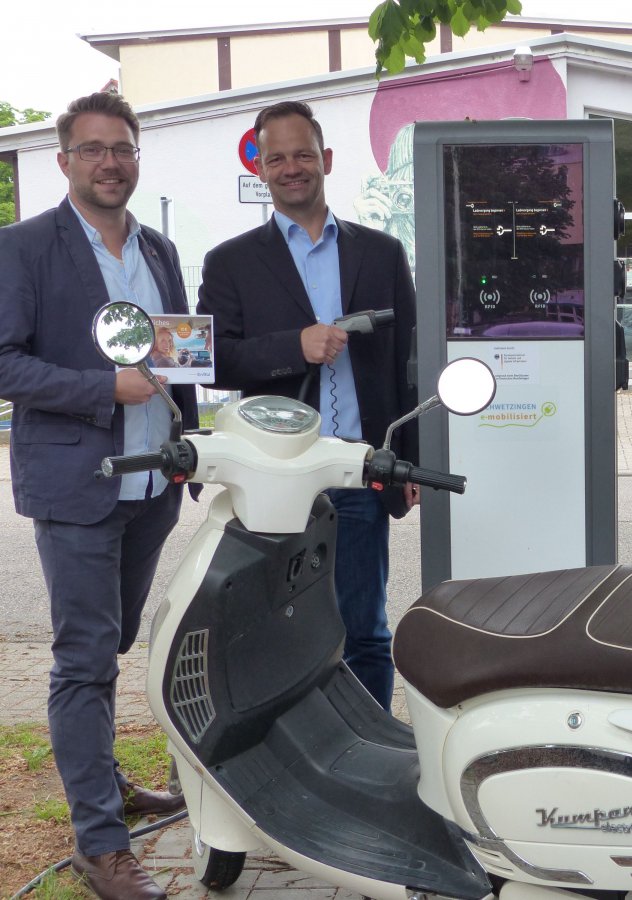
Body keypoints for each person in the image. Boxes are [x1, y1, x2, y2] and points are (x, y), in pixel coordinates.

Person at [0, 92, 197, 900]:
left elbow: (180, 354)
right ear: (65, 160)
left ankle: (107, 783)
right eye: (94, 149)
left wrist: (189, 433)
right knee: (83, 661)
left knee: (109, 647)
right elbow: (3, 362)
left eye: (124, 147)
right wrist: (98, 388)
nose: (111, 161)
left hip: (153, 484)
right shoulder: (22, 247)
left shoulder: (159, 247)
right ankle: (100, 846)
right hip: (77, 485)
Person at [198, 100, 417, 712]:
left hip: (357, 470)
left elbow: (410, 359)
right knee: (271, 629)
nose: (290, 167)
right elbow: (215, 361)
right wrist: (295, 346)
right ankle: (284, 760)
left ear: (326, 160)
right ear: (260, 170)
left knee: (365, 630)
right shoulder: (231, 262)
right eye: (276, 158)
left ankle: (370, 751)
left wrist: (410, 460)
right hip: (272, 475)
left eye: (302, 154)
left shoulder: (381, 253)